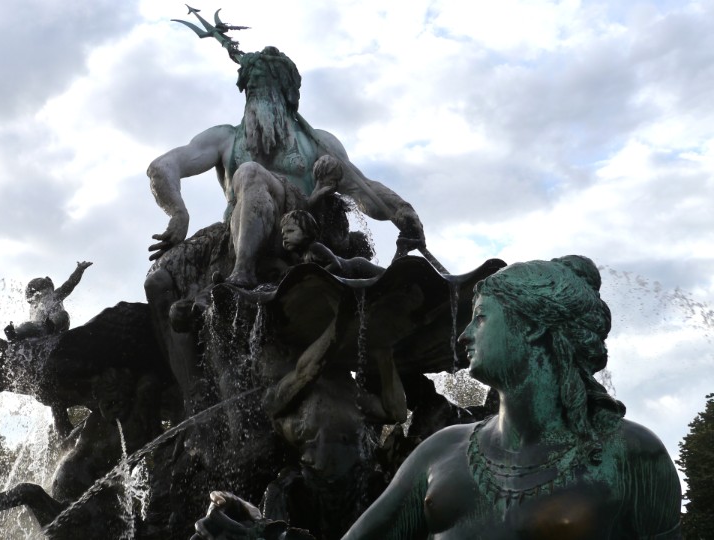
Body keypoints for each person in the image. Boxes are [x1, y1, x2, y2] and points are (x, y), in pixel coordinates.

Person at [193, 256, 682, 539]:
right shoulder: (441, 451)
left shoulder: (632, 455)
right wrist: (260, 532)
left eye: (482, 318)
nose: (465, 334)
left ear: (532, 328)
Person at [147, 46, 425, 288]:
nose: (256, 93)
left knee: (249, 171)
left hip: (304, 230)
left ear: (287, 93)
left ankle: (244, 273)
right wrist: (178, 213)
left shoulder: (319, 142)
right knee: (162, 278)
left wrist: (402, 211)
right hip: (239, 234)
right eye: (252, 87)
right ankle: (241, 270)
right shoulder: (225, 138)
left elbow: (362, 189)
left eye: (266, 86)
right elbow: (162, 167)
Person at [279, 210, 385, 279]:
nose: (285, 236)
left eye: (290, 231)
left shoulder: (315, 247)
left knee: (386, 276)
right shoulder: (303, 257)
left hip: (357, 267)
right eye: (283, 233)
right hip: (351, 276)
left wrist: (316, 277)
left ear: (307, 232)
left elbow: (336, 264)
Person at [6, 261, 92, 341]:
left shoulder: (55, 295)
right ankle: (15, 334)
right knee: (27, 324)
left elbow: (70, 283)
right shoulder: (35, 306)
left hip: (58, 328)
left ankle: (51, 326)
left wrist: (79, 269)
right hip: (41, 330)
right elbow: (32, 324)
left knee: (63, 315)